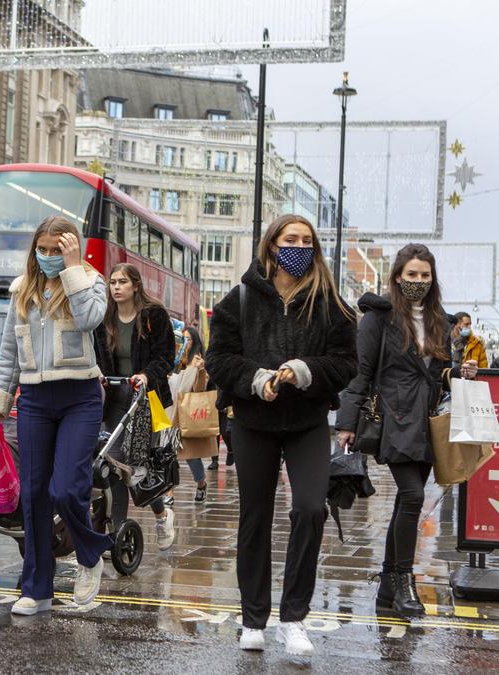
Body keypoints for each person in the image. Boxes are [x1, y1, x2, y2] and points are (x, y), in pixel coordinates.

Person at [206, 214, 358, 655]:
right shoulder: (239, 299)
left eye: (306, 240)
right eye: (290, 239)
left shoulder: (329, 302)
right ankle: (253, 618)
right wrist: (257, 379)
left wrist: (304, 371)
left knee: (311, 510)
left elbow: (347, 361)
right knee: (255, 516)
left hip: (307, 423)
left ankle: (294, 618)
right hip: (254, 422)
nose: (298, 246)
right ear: (272, 245)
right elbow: (219, 359)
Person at [336, 244, 479, 620]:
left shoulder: (441, 322)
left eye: (425, 276)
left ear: (433, 280)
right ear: (398, 276)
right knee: (413, 496)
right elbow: (361, 372)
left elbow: (436, 374)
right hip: (394, 417)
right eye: (411, 275)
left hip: (428, 420)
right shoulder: (377, 319)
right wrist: (347, 423)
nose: (418, 281)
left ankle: (387, 586)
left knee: (407, 501)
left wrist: (457, 372)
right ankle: (403, 581)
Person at [0, 216, 111, 617]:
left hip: (80, 396)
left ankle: (90, 553)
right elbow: (8, 353)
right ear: (34, 249)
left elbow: (91, 320)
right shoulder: (21, 291)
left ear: (73, 248)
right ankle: (37, 588)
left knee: (67, 489)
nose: (51, 256)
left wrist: (74, 268)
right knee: (34, 493)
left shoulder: (90, 282)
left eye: (60, 249)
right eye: (45, 249)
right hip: (34, 398)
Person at [93, 263, 177, 549]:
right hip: (115, 400)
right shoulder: (104, 318)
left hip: (146, 401)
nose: (116, 287)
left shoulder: (154, 316)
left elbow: (166, 358)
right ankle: (116, 532)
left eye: (122, 282)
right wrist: (98, 373)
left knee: (140, 468)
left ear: (136, 286)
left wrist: (146, 375)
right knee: (114, 465)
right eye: (113, 282)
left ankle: (162, 514)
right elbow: (95, 354)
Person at [172, 324, 213, 502]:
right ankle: (169, 492)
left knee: (191, 457)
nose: (184, 342)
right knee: (167, 455)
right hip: (170, 413)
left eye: (188, 339)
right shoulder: (174, 360)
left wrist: (201, 370)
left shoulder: (197, 362)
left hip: (187, 414)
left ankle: (201, 483)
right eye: (183, 338)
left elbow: (199, 389)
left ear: (195, 341)